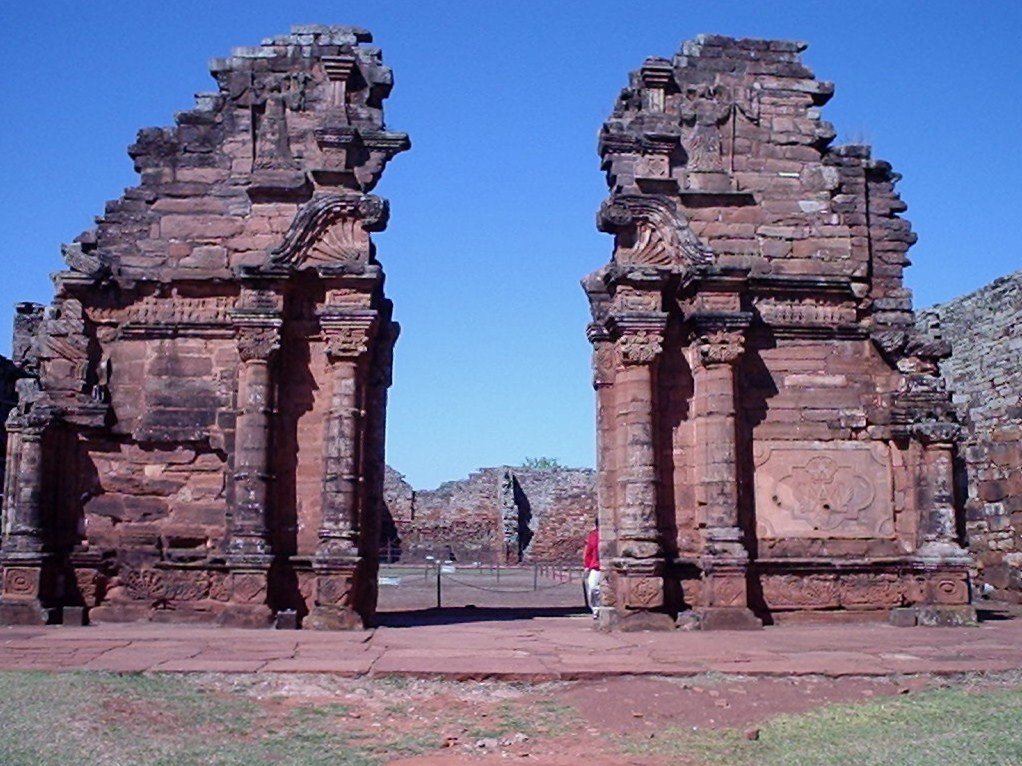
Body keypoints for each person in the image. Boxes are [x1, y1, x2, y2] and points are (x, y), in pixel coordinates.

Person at [583, 518, 601, 617]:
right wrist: (587, 565)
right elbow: (589, 550)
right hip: (595, 566)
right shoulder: (593, 535)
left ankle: (601, 607)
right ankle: (595, 608)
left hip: (608, 566)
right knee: (593, 587)